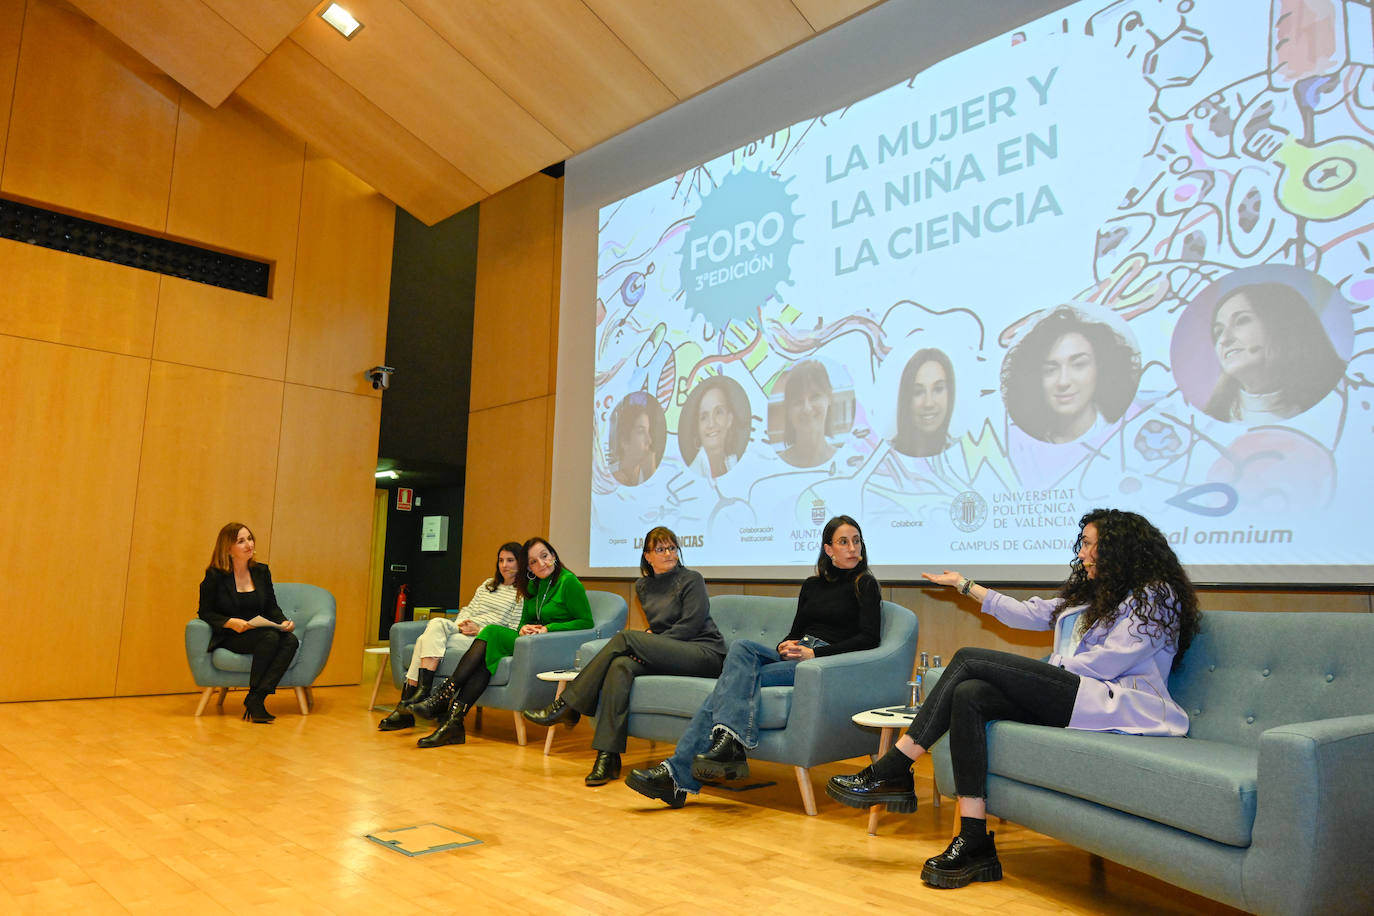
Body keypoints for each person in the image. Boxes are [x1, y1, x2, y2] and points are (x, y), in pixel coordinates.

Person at [826, 508, 1200, 889]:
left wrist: (1052, 668)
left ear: (1118, 549)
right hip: (1081, 694)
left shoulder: (1156, 595)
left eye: (1089, 545)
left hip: (1119, 703)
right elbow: (1029, 613)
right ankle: (974, 841)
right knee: (970, 694)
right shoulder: (1095, 593)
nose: (1082, 553)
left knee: (969, 658)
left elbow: (1111, 661)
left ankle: (895, 767)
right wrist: (964, 584)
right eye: (1083, 545)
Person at [625, 515, 881, 807]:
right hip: (797, 654)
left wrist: (815, 654)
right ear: (828, 549)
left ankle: (680, 774)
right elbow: (796, 631)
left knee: (726, 685)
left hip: (820, 662)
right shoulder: (812, 586)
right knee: (743, 648)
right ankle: (723, 749)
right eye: (843, 542)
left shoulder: (865, 584)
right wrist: (786, 644)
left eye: (856, 541)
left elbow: (869, 639)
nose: (852, 548)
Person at [521, 527, 727, 785]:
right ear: (647, 556)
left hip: (704, 653)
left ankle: (567, 705)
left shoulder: (691, 579)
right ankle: (607, 758)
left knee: (626, 638)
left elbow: (690, 626)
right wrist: (651, 644)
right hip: (670, 651)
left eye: (672, 547)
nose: (668, 553)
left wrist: (650, 644)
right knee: (620, 665)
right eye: (660, 549)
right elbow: (661, 626)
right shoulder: (643, 586)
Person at [409, 537, 593, 748]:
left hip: (549, 643)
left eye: (544, 556)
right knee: (487, 655)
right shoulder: (533, 584)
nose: (541, 564)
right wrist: (524, 628)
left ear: (554, 556)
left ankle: (444, 695)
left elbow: (586, 622)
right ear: (528, 567)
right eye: (533, 561)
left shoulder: (568, 582)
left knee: (491, 633)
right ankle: (453, 723)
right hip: (530, 640)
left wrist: (548, 628)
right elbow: (524, 621)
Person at [377, 542, 523, 731]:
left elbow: (510, 627)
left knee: (423, 641)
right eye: (501, 560)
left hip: (480, 638)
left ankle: (408, 701)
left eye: (510, 560)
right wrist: (461, 624)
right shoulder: (488, 585)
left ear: (520, 562)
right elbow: (469, 609)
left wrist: (477, 629)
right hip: (462, 629)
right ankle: (420, 696)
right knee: (437, 623)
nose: (504, 565)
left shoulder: (521, 594)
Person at [196, 522, 298, 723]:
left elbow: (271, 607)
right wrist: (229, 622)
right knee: (270, 638)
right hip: (232, 635)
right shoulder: (215, 575)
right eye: (241, 541)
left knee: (290, 640)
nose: (248, 544)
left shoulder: (261, 571)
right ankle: (256, 698)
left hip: (258, 631)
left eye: (250, 539)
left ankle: (257, 696)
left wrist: (283, 621)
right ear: (228, 548)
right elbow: (205, 612)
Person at [1202, 282, 1345, 422]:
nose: (1224, 339)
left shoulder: (1342, 394)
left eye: (1241, 321)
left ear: (1283, 326)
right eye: (1218, 332)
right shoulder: (1210, 423)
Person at [1000, 305, 1140, 444]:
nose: (1063, 382)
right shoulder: (1018, 444)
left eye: (1079, 365)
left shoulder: (1128, 434)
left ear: (1101, 368)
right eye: (1050, 370)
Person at [680, 376, 747, 478]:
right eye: (704, 417)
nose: (711, 424)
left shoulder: (733, 463)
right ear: (697, 428)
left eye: (718, 412)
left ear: (729, 420)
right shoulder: (693, 473)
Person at [893, 348, 955, 457]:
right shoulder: (883, 453)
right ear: (906, 398)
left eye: (938, 389)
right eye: (918, 392)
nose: (928, 403)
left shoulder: (964, 453)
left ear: (950, 394)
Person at [779, 359, 838, 467]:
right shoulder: (774, 464)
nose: (807, 409)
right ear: (788, 410)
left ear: (829, 397)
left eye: (815, 397)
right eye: (798, 401)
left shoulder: (845, 463)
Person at [611, 393, 663, 486]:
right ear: (624, 442)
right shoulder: (606, 476)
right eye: (641, 431)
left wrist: (651, 477)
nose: (649, 441)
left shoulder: (652, 474)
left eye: (648, 431)